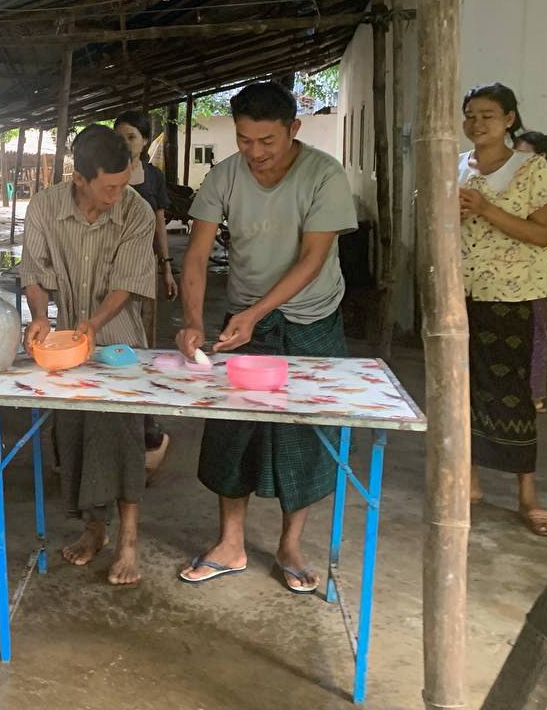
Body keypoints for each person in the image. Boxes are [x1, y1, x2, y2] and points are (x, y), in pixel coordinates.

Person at [176, 82, 357, 593]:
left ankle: (290, 546)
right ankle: (230, 544)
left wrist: (256, 313)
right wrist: (193, 318)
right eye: (245, 140)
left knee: (303, 434)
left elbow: (312, 259)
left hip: (312, 318)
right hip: (246, 316)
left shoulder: (324, 175)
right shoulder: (226, 175)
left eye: (267, 141)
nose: (254, 153)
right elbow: (195, 254)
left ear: (293, 130)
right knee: (234, 430)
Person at [21, 124, 156, 586]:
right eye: (108, 187)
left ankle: (129, 543)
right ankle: (94, 531)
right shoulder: (45, 206)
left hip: (118, 342)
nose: (118, 194)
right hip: (66, 342)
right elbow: (34, 272)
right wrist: (40, 315)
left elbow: (129, 280)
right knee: (74, 438)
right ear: (79, 178)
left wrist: (94, 325)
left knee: (121, 440)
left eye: (123, 183)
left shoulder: (135, 211)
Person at [459, 86, 547, 537]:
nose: (477, 123)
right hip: (460, 297)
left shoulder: (532, 169)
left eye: (487, 115)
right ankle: (470, 483)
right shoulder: (458, 166)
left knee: (513, 394)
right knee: (463, 392)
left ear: (509, 119)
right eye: (470, 115)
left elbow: (541, 235)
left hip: (512, 296)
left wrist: (485, 208)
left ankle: (527, 495)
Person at [112, 110, 179, 483]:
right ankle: (120, 435)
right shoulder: (104, 173)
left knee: (140, 350)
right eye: (119, 137)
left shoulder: (152, 178)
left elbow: (158, 224)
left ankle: (149, 435)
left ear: (145, 142)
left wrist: (166, 267)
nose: (125, 145)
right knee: (111, 350)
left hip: (142, 273)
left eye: (132, 138)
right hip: (106, 274)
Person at [513, 131, 547, 413]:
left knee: (536, 330)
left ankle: (535, 394)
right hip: (520, 263)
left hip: (539, 263)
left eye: (524, 155)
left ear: (541, 157)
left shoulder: (546, 188)